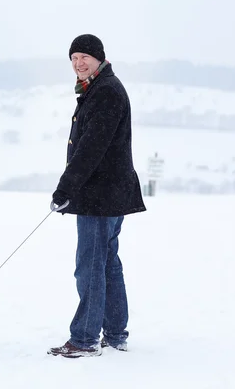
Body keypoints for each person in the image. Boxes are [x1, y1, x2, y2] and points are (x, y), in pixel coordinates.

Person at [48, 34, 146, 358]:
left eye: (84, 57)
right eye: (74, 58)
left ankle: (85, 338)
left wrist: (66, 187)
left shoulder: (105, 92)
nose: (78, 63)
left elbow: (91, 148)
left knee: (90, 265)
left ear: (98, 58)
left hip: (100, 194)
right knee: (106, 263)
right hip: (106, 192)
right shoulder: (99, 88)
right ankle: (116, 333)